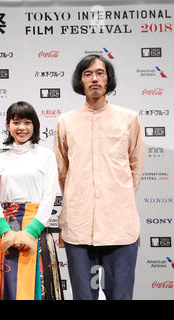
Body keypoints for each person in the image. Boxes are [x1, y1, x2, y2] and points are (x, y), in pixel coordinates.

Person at [54, 55, 145, 300]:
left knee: (121, 296)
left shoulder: (129, 119)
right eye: (88, 74)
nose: (94, 78)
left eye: (100, 73)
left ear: (108, 79)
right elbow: (63, 172)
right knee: (84, 297)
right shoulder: (66, 122)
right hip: (79, 228)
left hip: (120, 227)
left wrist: (119, 197)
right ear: (80, 81)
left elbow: (135, 169)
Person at [0, 101, 64, 300]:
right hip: (6, 232)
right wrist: (5, 231)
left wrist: (30, 232)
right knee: (5, 290)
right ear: (8, 125)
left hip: (36, 230)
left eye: (27, 122)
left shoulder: (46, 156)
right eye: (16, 122)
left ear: (35, 126)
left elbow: (49, 196)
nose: (21, 127)